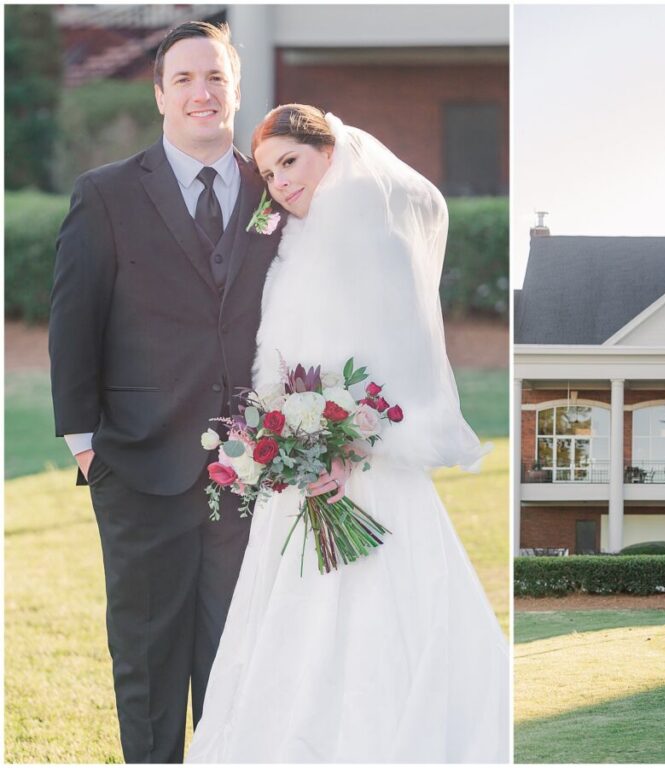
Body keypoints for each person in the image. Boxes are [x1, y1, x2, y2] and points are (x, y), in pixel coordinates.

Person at [185, 105, 509, 763]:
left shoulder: (375, 236)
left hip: (368, 472)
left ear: (328, 151)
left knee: (380, 619)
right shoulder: (290, 244)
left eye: (291, 162)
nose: (280, 182)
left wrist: (349, 445)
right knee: (292, 624)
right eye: (269, 173)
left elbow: (404, 358)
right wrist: (285, 440)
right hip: (299, 476)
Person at [47, 22, 321, 763]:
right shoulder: (105, 195)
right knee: (147, 665)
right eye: (185, 79)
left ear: (236, 88)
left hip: (254, 477)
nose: (203, 92)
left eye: (216, 77)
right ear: (160, 94)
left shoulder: (277, 193)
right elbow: (73, 324)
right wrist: (86, 448)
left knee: (241, 666)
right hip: (137, 468)